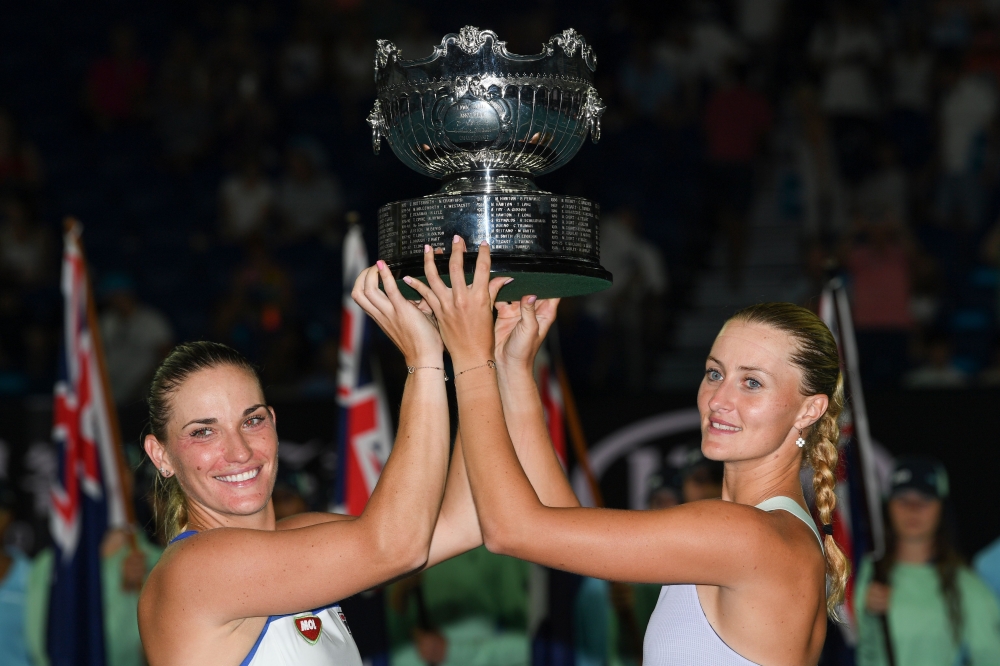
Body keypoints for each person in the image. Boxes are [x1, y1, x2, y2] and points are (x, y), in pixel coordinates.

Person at [403, 239, 848, 665]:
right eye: (715, 374)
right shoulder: (758, 529)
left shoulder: (747, 533)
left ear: (810, 409)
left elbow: (512, 531)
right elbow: (557, 523)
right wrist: (512, 365)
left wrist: (468, 359)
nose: (718, 400)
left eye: (751, 382)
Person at [138, 256, 567, 665]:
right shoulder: (195, 570)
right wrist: (426, 360)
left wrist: (501, 361)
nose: (239, 452)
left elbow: (464, 520)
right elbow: (395, 546)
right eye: (203, 432)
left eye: (251, 421)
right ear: (162, 455)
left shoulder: (302, 535)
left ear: (272, 421)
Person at [855, 457, 1000, 665]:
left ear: (942, 508)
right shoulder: (859, 573)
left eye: (925, 499)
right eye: (902, 499)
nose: (913, 509)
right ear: (888, 506)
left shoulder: (966, 587)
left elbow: (991, 657)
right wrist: (865, 611)